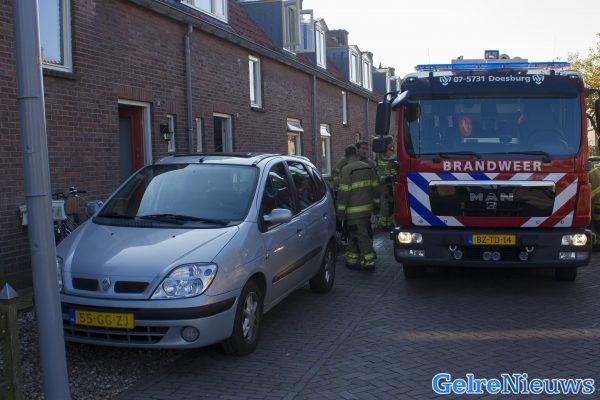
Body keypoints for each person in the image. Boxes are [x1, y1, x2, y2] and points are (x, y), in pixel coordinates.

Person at [336, 144, 380, 270]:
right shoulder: (368, 167)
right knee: (354, 234)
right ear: (356, 154)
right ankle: (352, 259)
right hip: (367, 210)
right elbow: (376, 188)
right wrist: (376, 206)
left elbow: (344, 193)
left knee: (361, 236)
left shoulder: (347, 170)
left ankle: (369, 261)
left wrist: (340, 213)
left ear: (346, 156)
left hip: (353, 212)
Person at [376, 138, 396, 229]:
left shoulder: (390, 156)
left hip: (387, 183)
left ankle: (388, 224)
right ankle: (386, 224)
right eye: (391, 143)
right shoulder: (381, 155)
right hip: (385, 184)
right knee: (386, 205)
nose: (392, 145)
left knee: (388, 205)